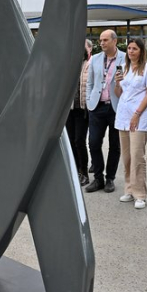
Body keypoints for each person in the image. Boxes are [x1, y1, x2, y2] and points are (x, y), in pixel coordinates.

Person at [113, 38, 147, 209]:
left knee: (137, 156)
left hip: (139, 116)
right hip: (123, 116)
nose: (131, 51)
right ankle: (129, 189)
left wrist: (137, 113)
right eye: (129, 48)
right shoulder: (124, 68)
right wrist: (117, 82)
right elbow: (118, 93)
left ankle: (140, 194)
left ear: (141, 51)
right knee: (127, 157)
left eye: (134, 49)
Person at [85, 29, 125, 193]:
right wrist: (89, 101)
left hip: (116, 107)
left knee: (115, 145)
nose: (101, 43)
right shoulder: (94, 59)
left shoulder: (124, 58)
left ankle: (110, 179)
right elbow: (90, 83)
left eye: (105, 40)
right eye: (100, 40)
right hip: (97, 106)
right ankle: (98, 178)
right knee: (93, 143)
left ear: (114, 41)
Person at [66, 39, 92, 186]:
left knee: (79, 140)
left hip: (82, 109)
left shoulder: (88, 65)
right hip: (68, 109)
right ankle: (75, 169)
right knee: (70, 140)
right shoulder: (68, 67)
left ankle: (84, 172)